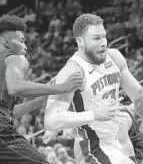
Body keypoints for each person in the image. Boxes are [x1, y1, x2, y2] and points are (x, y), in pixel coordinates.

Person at [43, 13, 143, 164]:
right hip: (97, 146)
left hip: (125, 137)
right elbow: (51, 119)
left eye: (104, 36)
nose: (103, 42)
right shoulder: (72, 71)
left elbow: (140, 96)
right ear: (80, 41)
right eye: (97, 38)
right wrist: (95, 114)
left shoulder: (114, 57)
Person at [0, 14, 83, 164]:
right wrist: (61, 87)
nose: (25, 46)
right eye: (21, 41)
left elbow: (10, 112)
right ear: (6, 42)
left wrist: (42, 98)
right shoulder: (15, 58)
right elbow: (14, 87)